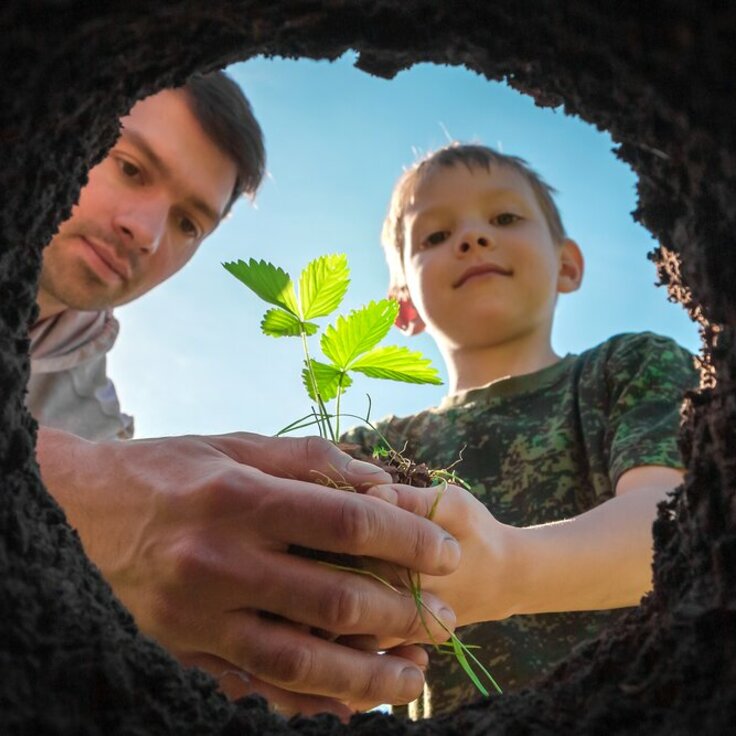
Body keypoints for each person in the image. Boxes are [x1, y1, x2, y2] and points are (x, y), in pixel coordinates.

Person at [29, 72, 462, 720]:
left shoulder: (96, 419)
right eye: (129, 167)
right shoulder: (100, 456)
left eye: (187, 222)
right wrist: (70, 494)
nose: (145, 232)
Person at [342, 143, 699, 718]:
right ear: (402, 305)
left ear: (567, 264)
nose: (472, 238)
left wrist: (510, 569)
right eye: (434, 236)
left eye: (504, 218)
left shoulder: (628, 368)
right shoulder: (369, 447)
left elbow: (675, 526)